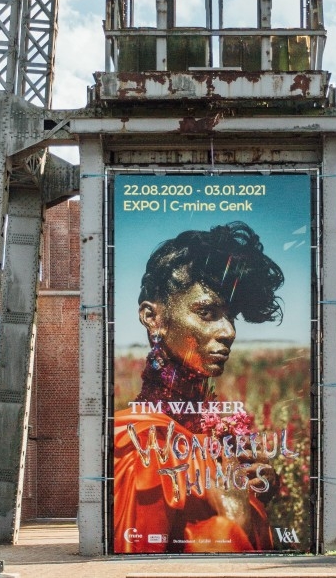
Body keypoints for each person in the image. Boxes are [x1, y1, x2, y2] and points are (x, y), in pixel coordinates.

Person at [113, 221, 285, 554]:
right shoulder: (135, 449)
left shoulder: (217, 441)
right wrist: (235, 520)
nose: (229, 331)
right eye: (206, 312)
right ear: (153, 318)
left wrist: (258, 499)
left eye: (231, 315)